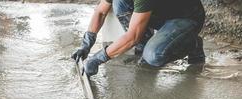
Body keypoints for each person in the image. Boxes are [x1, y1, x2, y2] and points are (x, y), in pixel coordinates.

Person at [72, 0, 206, 76]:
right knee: (119, 3)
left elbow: (133, 37)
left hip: (186, 18)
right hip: (162, 12)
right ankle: (144, 44)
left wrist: (98, 58)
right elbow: (101, 12)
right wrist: (86, 44)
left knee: (154, 56)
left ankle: (192, 43)